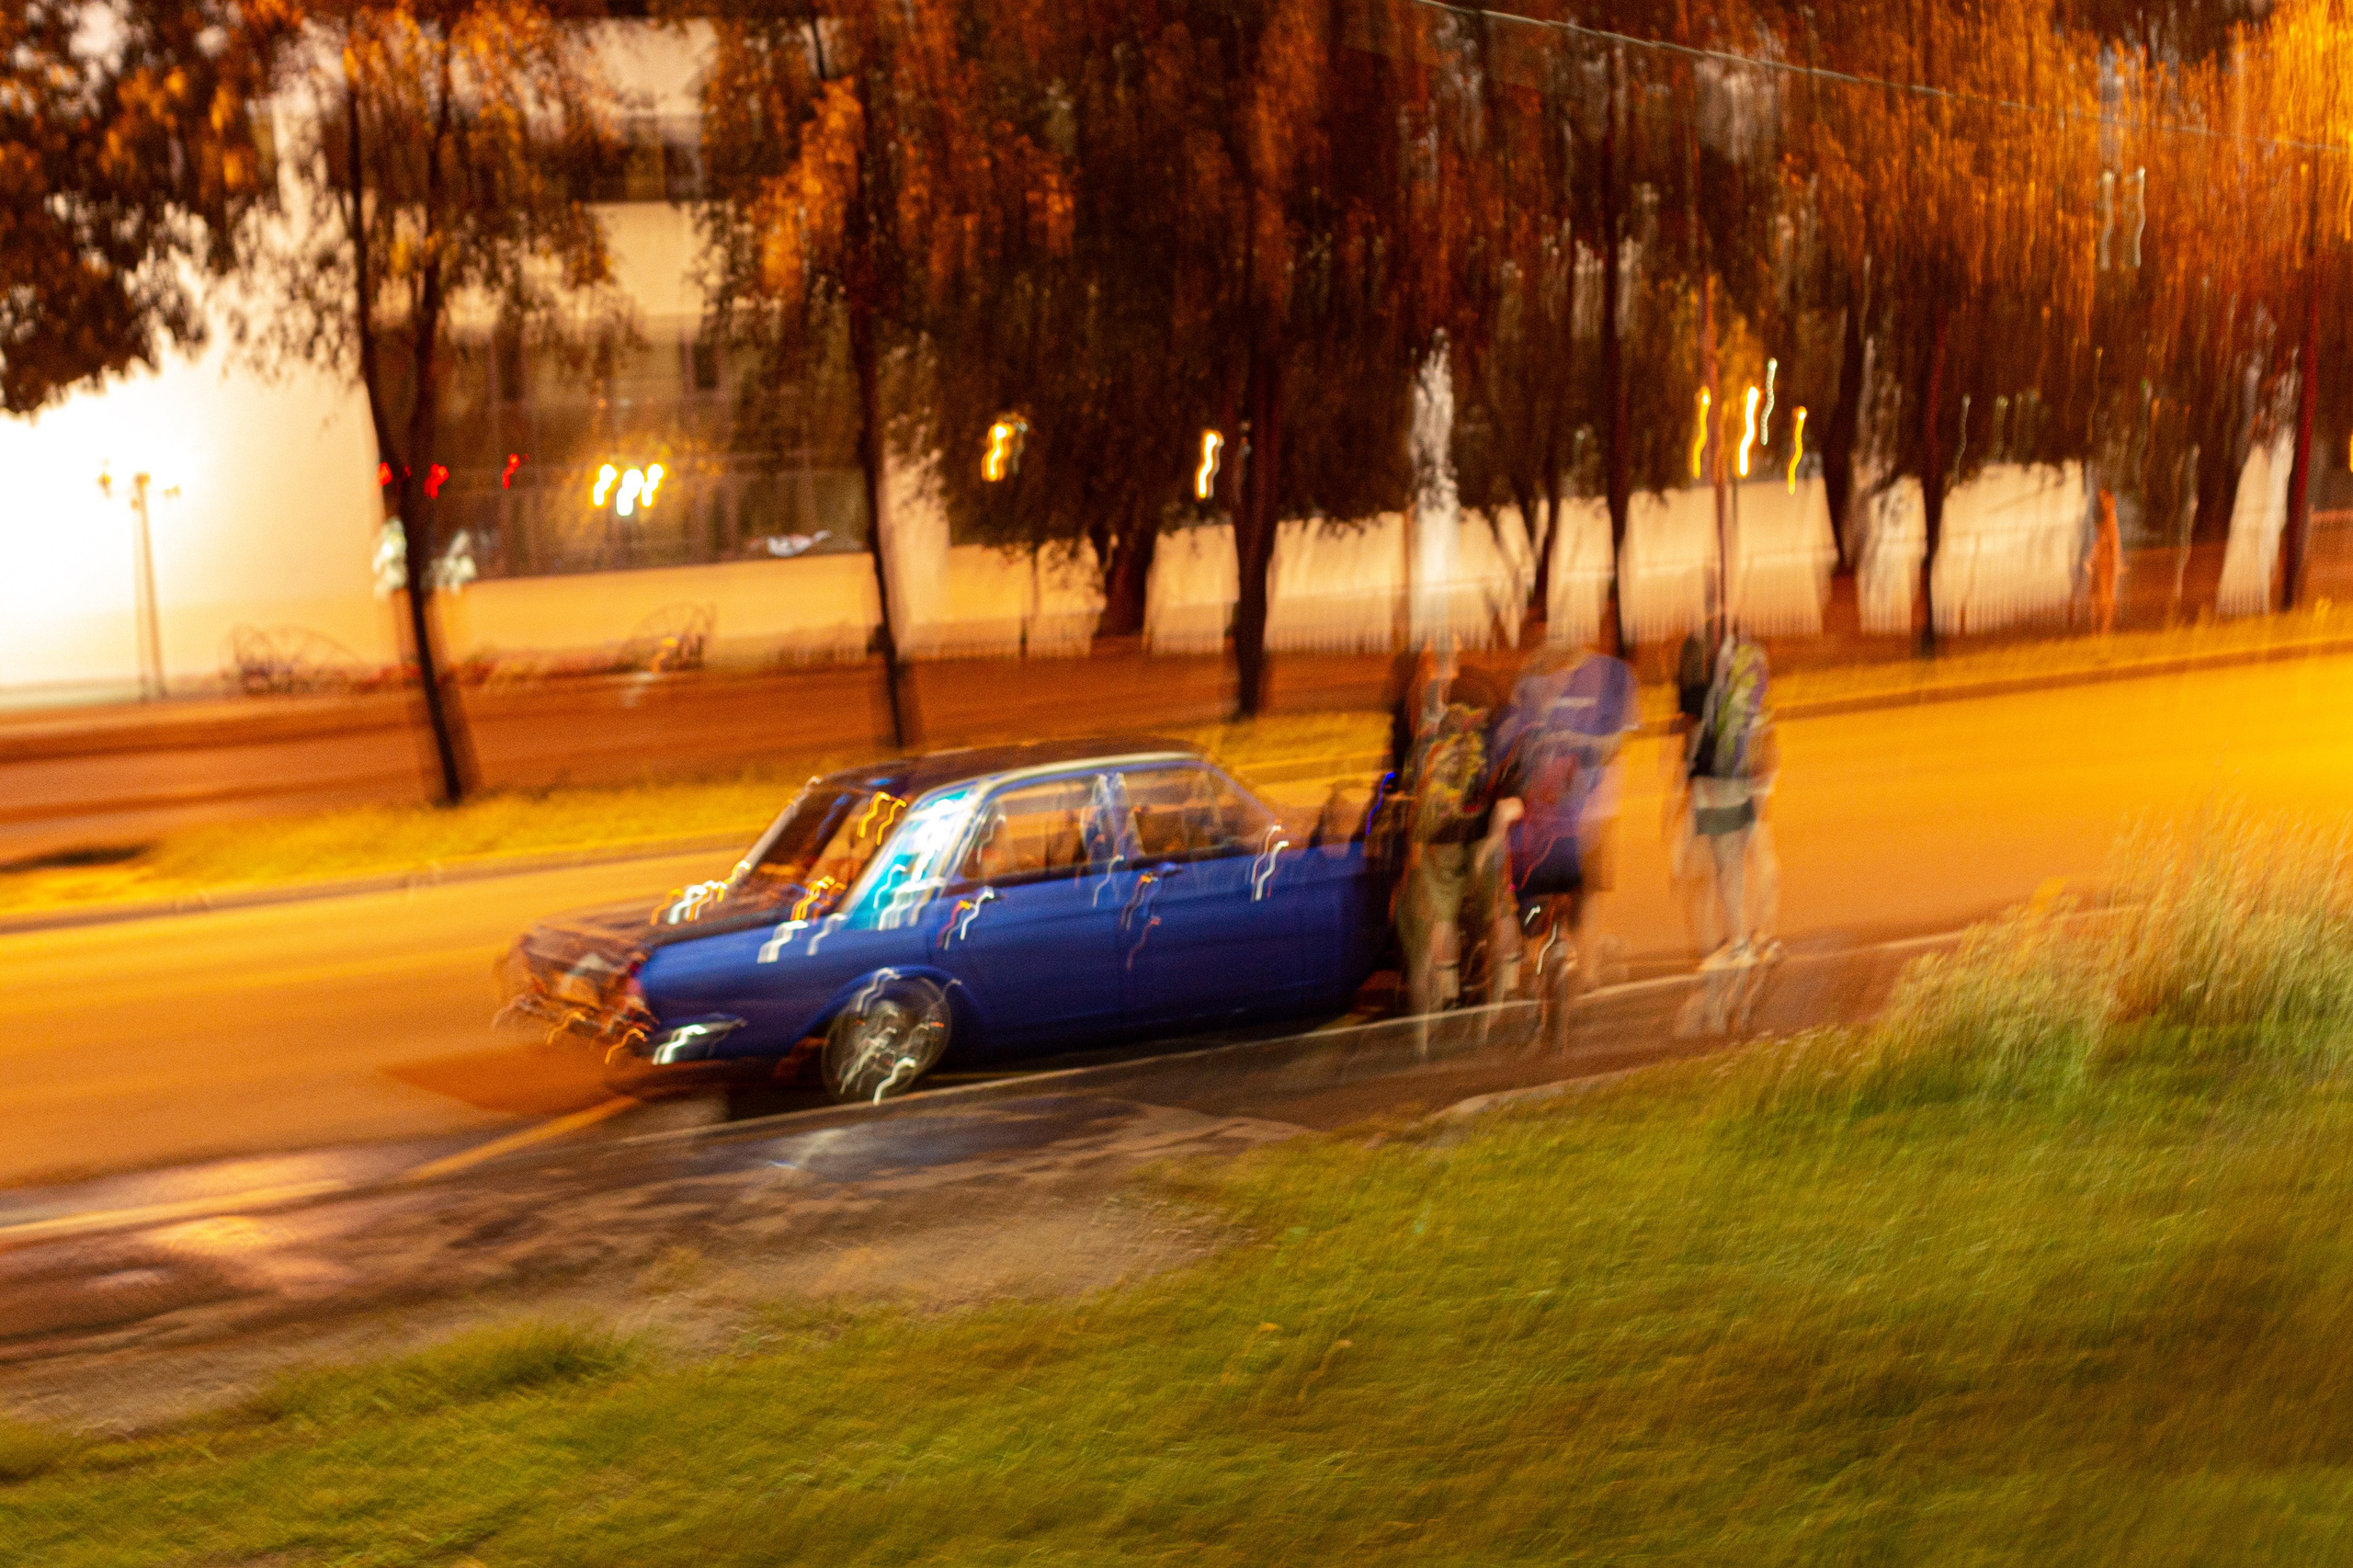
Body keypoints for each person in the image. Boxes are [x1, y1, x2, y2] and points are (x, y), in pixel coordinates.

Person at [1489, 642, 1640, 995]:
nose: (1554, 687)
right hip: (1548, 825)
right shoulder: (1525, 721)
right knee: (1563, 893)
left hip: (1564, 823)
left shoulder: (1543, 719)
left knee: (1566, 891)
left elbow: (1601, 756)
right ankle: (1557, 965)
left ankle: (1566, 968)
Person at [1395, 653, 1516, 1014]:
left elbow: (1411, 775)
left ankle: (1448, 991)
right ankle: (1508, 984)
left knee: (1442, 916)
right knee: (1501, 907)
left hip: (1443, 833)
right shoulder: (1486, 699)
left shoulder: (1425, 715)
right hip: (1484, 824)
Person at [1686, 629, 1778, 966]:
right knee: (1760, 845)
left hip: (1726, 763)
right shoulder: (1755, 650)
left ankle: (1740, 944)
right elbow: (1762, 707)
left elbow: (1701, 720)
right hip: (1758, 755)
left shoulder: (1708, 649)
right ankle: (1765, 937)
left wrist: (1690, 775)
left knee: (1729, 858)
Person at [2089, 488, 2122, 636]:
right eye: (2101, 499)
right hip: (2102, 562)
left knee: (2106, 596)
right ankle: (2099, 629)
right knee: (2100, 596)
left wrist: (2116, 562)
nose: (2103, 503)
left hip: (2107, 563)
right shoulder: (2106, 520)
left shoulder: (2111, 519)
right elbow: (2102, 540)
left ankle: (2104, 629)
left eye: (2105, 499)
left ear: (2111, 501)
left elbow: (2114, 542)